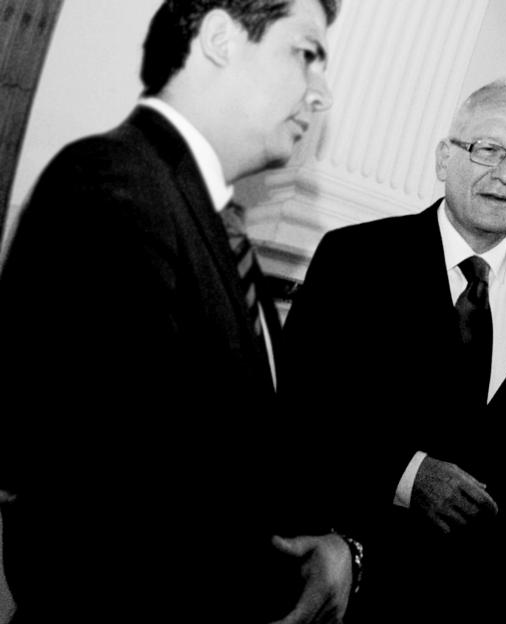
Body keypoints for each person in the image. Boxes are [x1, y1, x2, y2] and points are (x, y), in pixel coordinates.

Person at [0, 1, 357, 622]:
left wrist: (327, 548)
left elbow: (240, 458)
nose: (320, 93)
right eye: (305, 53)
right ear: (220, 38)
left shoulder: (207, 217)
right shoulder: (112, 183)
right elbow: (108, 510)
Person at [279, 80, 506, 623]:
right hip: (373, 582)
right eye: (487, 150)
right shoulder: (356, 259)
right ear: (443, 158)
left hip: (500, 592)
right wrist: (406, 474)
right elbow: (301, 407)